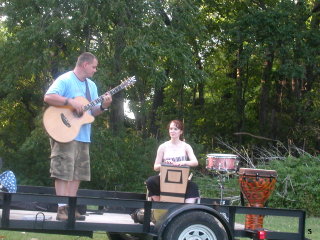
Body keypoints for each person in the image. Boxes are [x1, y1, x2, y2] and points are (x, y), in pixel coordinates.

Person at [44, 52, 112, 221]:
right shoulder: (65, 79)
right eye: (94, 67)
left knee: (77, 174)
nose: (95, 70)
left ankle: (71, 208)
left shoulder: (92, 86)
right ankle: (61, 210)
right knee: (62, 172)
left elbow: (92, 112)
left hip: (83, 135)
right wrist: (71, 102)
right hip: (64, 133)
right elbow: (48, 97)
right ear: (84, 65)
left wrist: (104, 106)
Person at [145, 120, 200, 203]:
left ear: (181, 132)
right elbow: (156, 167)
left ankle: (186, 212)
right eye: (171, 129)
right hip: (164, 179)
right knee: (150, 181)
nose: (172, 131)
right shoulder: (163, 147)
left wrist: (183, 162)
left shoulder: (186, 146)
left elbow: (195, 162)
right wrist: (165, 164)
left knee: (193, 186)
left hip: (181, 180)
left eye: (175, 129)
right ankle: (160, 205)